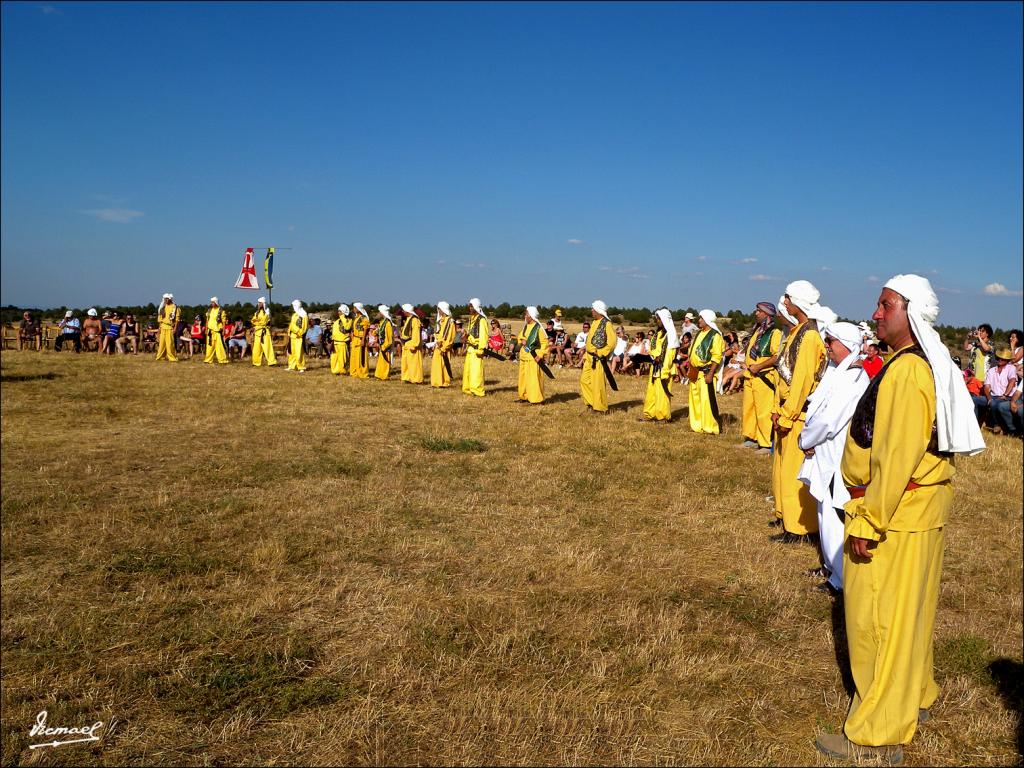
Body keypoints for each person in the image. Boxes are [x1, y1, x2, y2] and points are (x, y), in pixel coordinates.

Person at [815, 274, 985, 764]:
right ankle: (913, 696)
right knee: (911, 612)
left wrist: (868, 521)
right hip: (914, 510)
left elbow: (895, 456)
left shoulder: (910, 371)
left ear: (909, 312)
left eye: (884, 305)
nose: (875, 313)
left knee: (880, 620)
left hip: (896, 512)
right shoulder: (913, 363)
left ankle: (880, 731)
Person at [797, 322, 870, 597]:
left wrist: (805, 440)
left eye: (831, 341)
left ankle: (841, 579)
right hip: (823, 451)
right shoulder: (838, 372)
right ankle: (831, 565)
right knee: (824, 512)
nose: (826, 346)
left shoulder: (854, 377)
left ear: (847, 345)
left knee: (834, 515)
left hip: (836, 456)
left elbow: (829, 419)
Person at [770, 282, 833, 543]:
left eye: (787, 297)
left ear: (798, 301)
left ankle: (800, 528)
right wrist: (777, 409)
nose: (784, 302)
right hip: (786, 411)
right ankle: (787, 517)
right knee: (784, 468)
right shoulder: (798, 331)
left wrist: (787, 414)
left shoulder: (808, 336)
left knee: (796, 471)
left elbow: (801, 380)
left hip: (798, 415)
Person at [740, 302, 782, 454]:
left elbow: (777, 356)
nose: (756, 313)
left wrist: (759, 366)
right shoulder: (757, 331)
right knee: (749, 409)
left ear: (767, 314)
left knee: (763, 410)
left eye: (759, 311)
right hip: (750, 375)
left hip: (764, 376)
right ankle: (751, 438)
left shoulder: (775, 333)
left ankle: (765, 443)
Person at [687, 309, 725, 434]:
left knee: (706, 401)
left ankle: (709, 427)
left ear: (707, 320)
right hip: (695, 372)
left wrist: (710, 373)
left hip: (706, 373)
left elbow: (716, 357)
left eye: (701, 318)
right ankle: (697, 426)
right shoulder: (699, 333)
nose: (699, 321)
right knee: (695, 399)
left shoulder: (715, 336)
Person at [641, 308, 678, 422]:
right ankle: (650, 415)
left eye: (658, 318)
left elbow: (670, 354)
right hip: (655, 367)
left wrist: (665, 370)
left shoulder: (671, 335)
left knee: (662, 394)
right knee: (652, 392)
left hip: (664, 368)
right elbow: (654, 348)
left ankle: (662, 417)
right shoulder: (659, 333)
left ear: (663, 320)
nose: (656, 320)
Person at [579, 300, 616, 413]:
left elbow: (612, 342)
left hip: (598, 358)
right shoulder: (594, 322)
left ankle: (600, 408)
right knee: (584, 380)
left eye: (593, 309)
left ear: (598, 310)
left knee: (598, 384)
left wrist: (601, 353)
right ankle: (591, 402)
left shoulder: (607, 324)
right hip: (589, 357)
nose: (591, 310)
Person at [972, 347, 1018, 431]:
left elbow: (1012, 381)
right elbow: (986, 386)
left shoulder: (1011, 368)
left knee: (994, 403)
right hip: (993, 396)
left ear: (1007, 360)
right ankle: (974, 424)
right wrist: (989, 398)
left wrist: (1005, 395)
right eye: (998, 358)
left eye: (1003, 359)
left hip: (1007, 397)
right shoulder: (991, 370)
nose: (1000, 360)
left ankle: (996, 425)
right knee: (974, 400)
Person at [516, 306, 549, 404]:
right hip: (524, 357)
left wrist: (541, 354)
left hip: (533, 357)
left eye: (527, 314)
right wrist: (521, 340)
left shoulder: (538, 328)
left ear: (531, 315)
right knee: (523, 378)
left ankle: (536, 399)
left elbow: (545, 343)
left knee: (533, 379)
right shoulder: (525, 326)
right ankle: (524, 396)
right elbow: (520, 337)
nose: (525, 316)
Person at [462, 298, 488, 396]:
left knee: (476, 371)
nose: (470, 308)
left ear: (476, 307)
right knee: (468, 370)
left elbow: (483, 336)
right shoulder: (471, 319)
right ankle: (468, 388)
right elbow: (470, 333)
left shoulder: (481, 320)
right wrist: (465, 336)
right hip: (470, 348)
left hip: (477, 349)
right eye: (469, 306)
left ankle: (477, 390)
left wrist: (481, 349)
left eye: (471, 306)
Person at [431, 301, 456, 388]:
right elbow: (438, 333)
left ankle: (445, 382)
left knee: (444, 365)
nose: (438, 311)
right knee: (436, 365)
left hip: (444, 347)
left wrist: (444, 348)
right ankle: (437, 382)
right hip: (438, 346)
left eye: (439, 309)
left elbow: (450, 337)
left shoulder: (450, 321)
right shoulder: (441, 321)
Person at [399, 303, 424, 383]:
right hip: (407, 345)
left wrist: (414, 345)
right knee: (406, 363)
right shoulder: (408, 319)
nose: (402, 312)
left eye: (404, 310)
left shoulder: (415, 320)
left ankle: (416, 379)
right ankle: (408, 378)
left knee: (414, 364)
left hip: (412, 345)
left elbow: (416, 333)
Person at [251, 297, 276, 367]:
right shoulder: (257, 312)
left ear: (263, 303)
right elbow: (253, 320)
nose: (258, 304)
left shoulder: (267, 311)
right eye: (258, 302)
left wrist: (258, 322)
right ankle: (256, 362)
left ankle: (271, 362)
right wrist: (258, 322)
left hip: (264, 332)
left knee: (267, 347)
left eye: (259, 303)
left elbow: (264, 322)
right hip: (257, 332)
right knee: (256, 348)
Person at [204, 297, 229, 365]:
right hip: (210, 331)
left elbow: (223, 322)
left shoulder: (221, 311)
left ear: (216, 302)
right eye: (211, 302)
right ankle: (208, 359)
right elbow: (207, 320)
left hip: (218, 331)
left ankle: (222, 360)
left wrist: (223, 330)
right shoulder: (209, 310)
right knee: (209, 346)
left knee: (219, 346)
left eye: (213, 302)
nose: (212, 303)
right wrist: (206, 329)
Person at [330, 304, 353, 376]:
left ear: (343, 312)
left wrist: (343, 317)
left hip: (343, 342)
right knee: (335, 358)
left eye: (340, 311)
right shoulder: (336, 321)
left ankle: (342, 371)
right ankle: (336, 371)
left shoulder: (349, 320)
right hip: (335, 342)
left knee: (342, 358)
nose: (338, 313)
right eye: (338, 311)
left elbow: (347, 327)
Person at [286, 299, 308, 373]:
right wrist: (289, 332)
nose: (293, 307)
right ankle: (292, 366)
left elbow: (304, 327)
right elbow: (291, 324)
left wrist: (298, 332)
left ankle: (301, 366)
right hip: (292, 336)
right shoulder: (294, 315)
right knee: (292, 352)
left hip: (298, 336)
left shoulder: (304, 315)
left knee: (299, 352)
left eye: (294, 306)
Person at [155, 294, 179, 361]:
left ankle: (172, 358)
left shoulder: (175, 307)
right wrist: (159, 330)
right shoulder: (162, 308)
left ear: (170, 299)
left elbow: (177, 319)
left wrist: (175, 328)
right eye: (165, 298)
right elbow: (160, 320)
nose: (166, 300)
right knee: (161, 344)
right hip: (163, 327)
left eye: (167, 298)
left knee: (169, 344)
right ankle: (160, 357)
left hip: (170, 327)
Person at [349, 303, 371, 378]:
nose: (353, 309)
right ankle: (354, 372)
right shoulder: (356, 318)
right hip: (355, 339)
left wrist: (363, 340)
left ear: (358, 309)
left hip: (360, 339)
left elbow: (365, 329)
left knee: (361, 357)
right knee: (354, 357)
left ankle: (362, 373)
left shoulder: (364, 318)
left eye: (355, 308)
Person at [374, 305, 395, 380]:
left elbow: (389, 339)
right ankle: (379, 375)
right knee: (381, 362)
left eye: (379, 312)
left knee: (385, 362)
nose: (378, 314)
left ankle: (384, 376)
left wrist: (383, 347)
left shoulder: (388, 323)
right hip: (382, 346)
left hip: (385, 347)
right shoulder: (382, 322)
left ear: (382, 313)